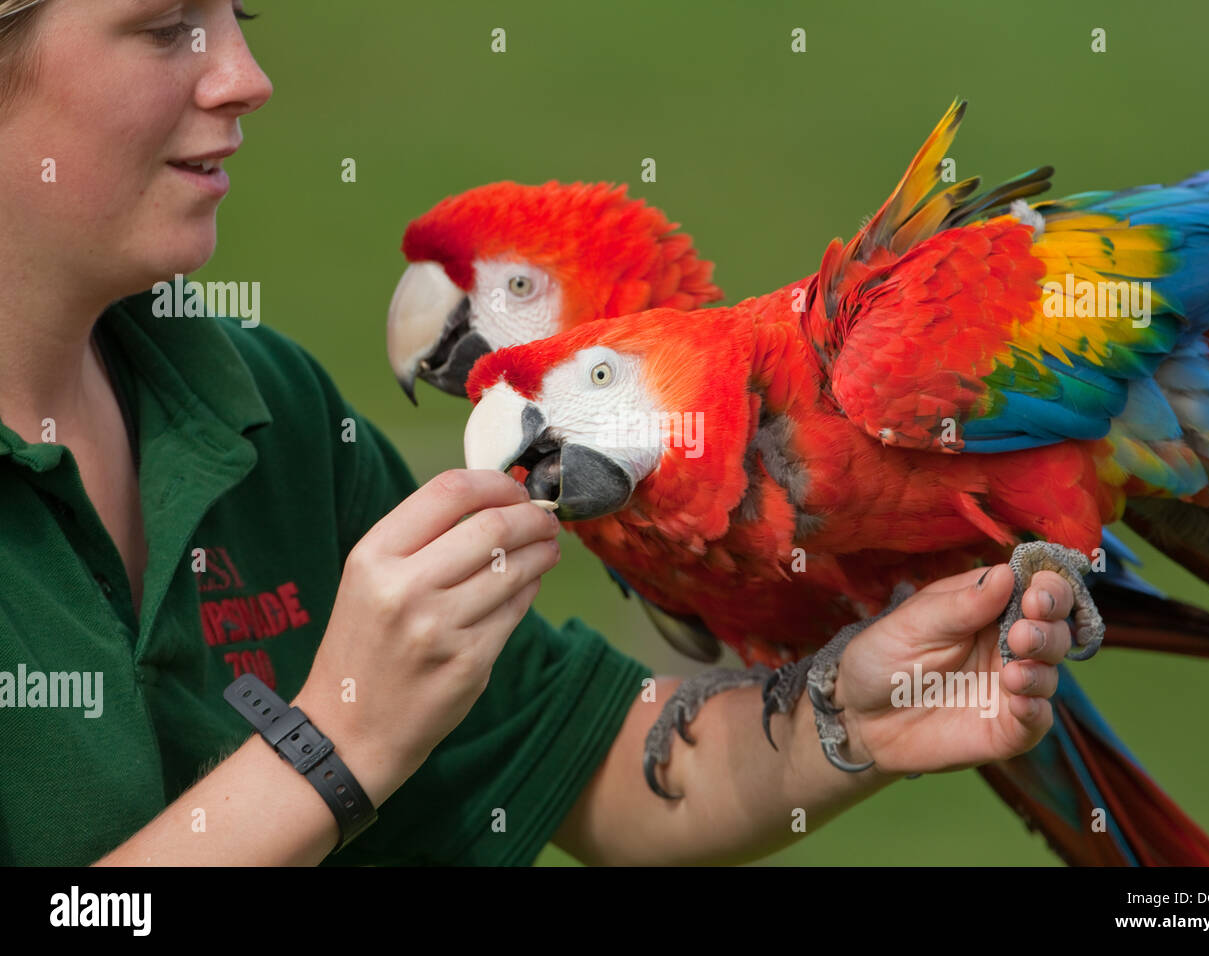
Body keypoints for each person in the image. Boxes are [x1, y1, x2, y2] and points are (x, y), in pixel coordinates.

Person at [0, 0, 1076, 867]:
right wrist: (336, 744)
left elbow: (605, 772)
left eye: (241, 14)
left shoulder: (256, 402)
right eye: (165, 26)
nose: (245, 74)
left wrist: (851, 711)